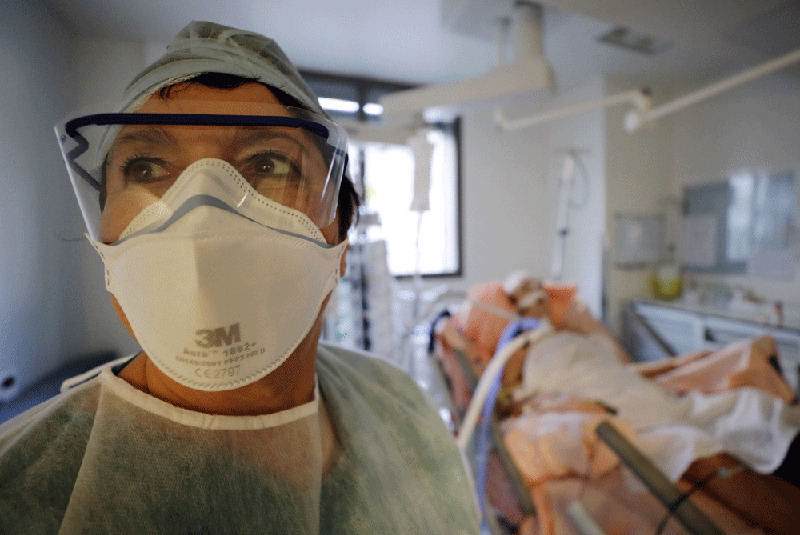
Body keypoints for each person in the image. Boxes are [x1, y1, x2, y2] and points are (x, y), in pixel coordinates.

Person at [0, 22, 480, 534]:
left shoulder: (399, 406)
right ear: (106, 238)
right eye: (145, 169)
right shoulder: (17, 486)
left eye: (267, 163)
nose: (201, 219)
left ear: (340, 241)